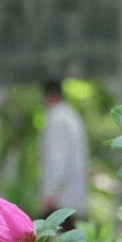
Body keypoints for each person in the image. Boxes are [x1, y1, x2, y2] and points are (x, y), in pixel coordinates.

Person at [40, 79, 88, 231]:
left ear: (47, 96)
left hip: (60, 199)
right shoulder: (72, 116)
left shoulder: (56, 119)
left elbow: (58, 160)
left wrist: (50, 195)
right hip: (74, 197)